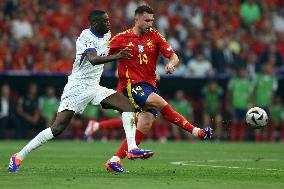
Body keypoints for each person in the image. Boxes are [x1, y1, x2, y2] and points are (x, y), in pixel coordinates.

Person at [8, 10, 153, 173]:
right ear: (94, 23)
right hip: (77, 88)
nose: (108, 23)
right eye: (105, 21)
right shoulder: (85, 36)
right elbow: (93, 59)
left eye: (108, 20)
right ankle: (19, 155)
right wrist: (118, 56)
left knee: (128, 107)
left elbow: (109, 50)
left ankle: (132, 148)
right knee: (57, 128)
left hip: (94, 87)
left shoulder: (107, 34)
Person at [85, 5, 212, 173]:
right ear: (136, 19)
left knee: (144, 125)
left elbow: (174, 56)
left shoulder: (156, 36)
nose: (150, 23)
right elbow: (101, 54)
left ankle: (114, 160)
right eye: (146, 20)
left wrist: (170, 64)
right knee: (159, 102)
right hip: (131, 86)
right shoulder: (122, 38)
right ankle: (197, 132)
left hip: (150, 85)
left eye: (152, 20)